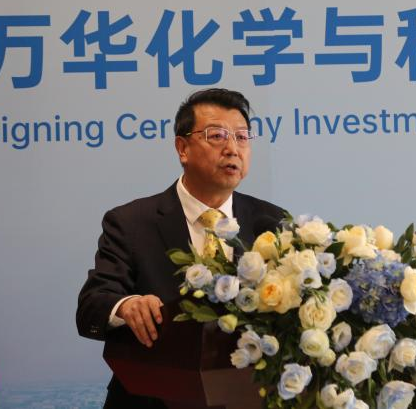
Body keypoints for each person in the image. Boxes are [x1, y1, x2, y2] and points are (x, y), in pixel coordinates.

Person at [76, 88, 284, 409]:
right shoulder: (131, 222)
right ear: (183, 148)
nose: (232, 148)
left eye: (242, 137)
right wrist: (127, 306)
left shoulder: (271, 222)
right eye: (217, 135)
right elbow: (92, 304)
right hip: (150, 401)